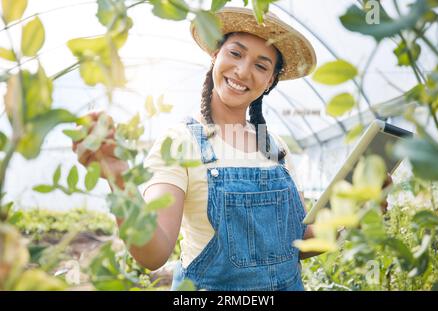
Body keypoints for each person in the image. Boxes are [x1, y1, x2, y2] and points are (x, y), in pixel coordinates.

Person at [73, 7, 319, 291]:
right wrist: (119, 178)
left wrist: (355, 211)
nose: (242, 71)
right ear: (215, 56)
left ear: (269, 82)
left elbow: (299, 244)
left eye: (261, 66)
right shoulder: (179, 142)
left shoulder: (276, 147)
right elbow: (153, 255)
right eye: (235, 54)